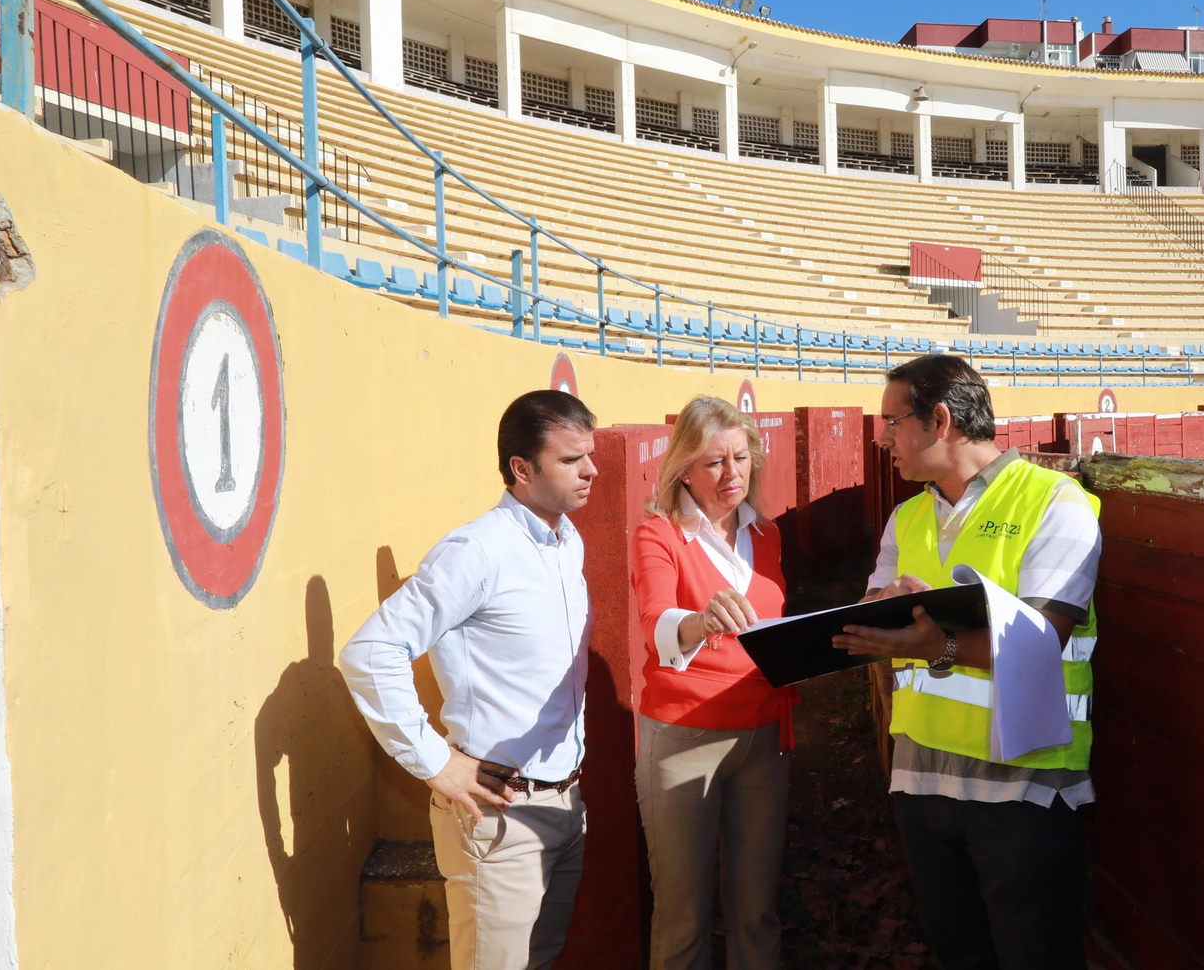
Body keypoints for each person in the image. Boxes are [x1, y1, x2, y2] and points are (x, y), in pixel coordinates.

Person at [833, 354, 1101, 970]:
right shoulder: (907, 516)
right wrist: (881, 612)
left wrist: (935, 646)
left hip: (1025, 787)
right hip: (922, 782)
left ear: (941, 420)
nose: (882, 439)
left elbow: (1041, 638)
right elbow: (873, 611)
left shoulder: (1055, 502)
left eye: (891, 423)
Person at [339, 389, 598, 970]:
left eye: (591, 454)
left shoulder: (565, 539)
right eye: (571, 459)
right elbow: (370, 651)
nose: (592, 470)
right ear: (521, 469)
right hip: (499, 819)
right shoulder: (477, 551)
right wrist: (436, 762)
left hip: (564, 803)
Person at [631, 395, 797, 970]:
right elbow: (655, 621)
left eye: (741, 457)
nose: (733, 474)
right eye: (714, 463)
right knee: (682, 920)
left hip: (765, 738)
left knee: (757, 913)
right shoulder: (659, 533)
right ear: (683, 469)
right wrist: (700, 621)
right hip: (685, 737)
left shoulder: (768, 534)